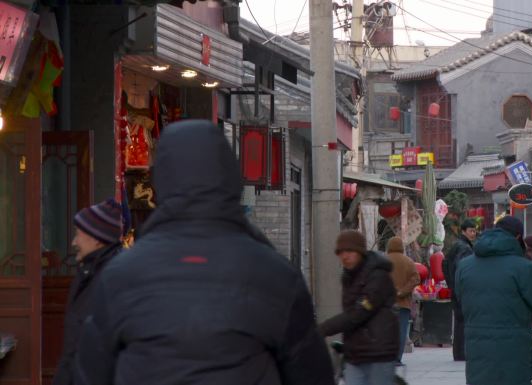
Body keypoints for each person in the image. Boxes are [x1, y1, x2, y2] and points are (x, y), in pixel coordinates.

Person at [75, 120, 334, 385]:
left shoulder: (121, 274)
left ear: (161, 179)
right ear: (230, 175)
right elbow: (311, 373)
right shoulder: (275, 275)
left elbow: (91, 371)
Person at [456, 216, 532, 385]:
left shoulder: (465, 266)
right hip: (514, 349)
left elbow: (461, 296)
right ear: (518, 238)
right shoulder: (522, 267)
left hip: (477, 349)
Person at [53, 199, 123, 385]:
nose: (74, 242)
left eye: (79, 234)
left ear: (97, 239)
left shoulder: (111, 279)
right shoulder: (86, 273)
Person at [319, 230, 399, 385]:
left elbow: (359, 312)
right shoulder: (349, 276)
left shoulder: (378, 276)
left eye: (349, 251)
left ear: (360, 252)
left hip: (379, 352)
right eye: (340, 252)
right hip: (355, 353)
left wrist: (323, 329)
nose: (345, 256)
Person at [442, 219, 477, 361]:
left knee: (459, 321)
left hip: (456, 289)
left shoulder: (457, 245)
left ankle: (458, 353)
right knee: (463, 321)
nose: (473, 233)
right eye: (471, 231)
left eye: (474, 231)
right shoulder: (465, 248)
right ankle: (462, 353)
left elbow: (444, 264)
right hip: (462, 290)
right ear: (463, 231)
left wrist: (450, 283)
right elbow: (462, 268)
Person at [385, 236, 420, 364]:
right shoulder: (408, 262)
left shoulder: (383, 261)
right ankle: (397, 358)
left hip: (386, 303)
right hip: (403, 303)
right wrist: (403, 291)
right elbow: (416, 279)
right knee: (401, 331)